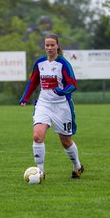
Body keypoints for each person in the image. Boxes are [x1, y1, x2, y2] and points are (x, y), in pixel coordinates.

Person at [19, 33, 84, 179]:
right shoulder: (40, 63)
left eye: (52, 45)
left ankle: (77, 166)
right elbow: (33, 81)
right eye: (46, 45)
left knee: (66, 141)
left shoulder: (63, 64)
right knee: (37, 136)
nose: (49, 48)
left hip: (62, 106)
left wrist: (62, 91)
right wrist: (25, 97)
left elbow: (73, 84)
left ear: (57, 46)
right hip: (44, 104)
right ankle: (40, 171)